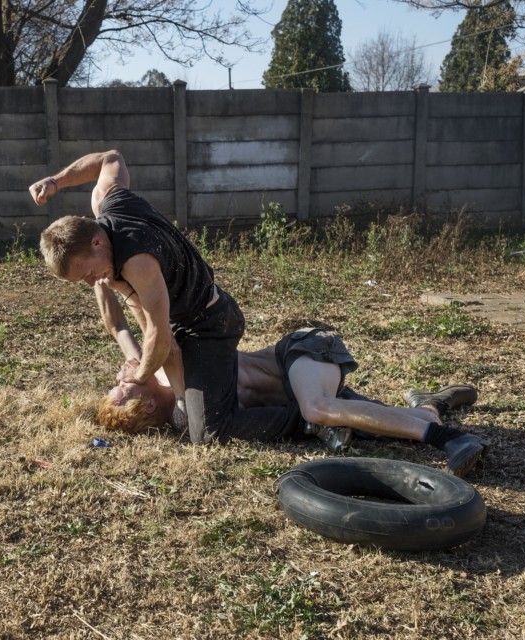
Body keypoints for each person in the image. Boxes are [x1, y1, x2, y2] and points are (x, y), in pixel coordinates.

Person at [32, 149, 292, 445]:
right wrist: (56, 181)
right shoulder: (109, 201)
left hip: (209, 322)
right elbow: (111, 158)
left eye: (89, 273)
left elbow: (160, 338)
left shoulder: (138, 265)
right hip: (183, 319)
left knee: (210, 432)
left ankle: (304, 420)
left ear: (96, 242)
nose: (93, 282)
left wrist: (140, 375)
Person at [98, 323, 486, 477]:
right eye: (122, 387)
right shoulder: (186, 408)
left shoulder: (160, 374)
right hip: (301, 393)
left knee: (317, 408)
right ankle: (431, 405)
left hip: (301, 353)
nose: (120, 376)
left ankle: (449, 439)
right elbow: (162, 337)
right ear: (147, 405)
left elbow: (119, 326)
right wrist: (140, 364)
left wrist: (103, 281)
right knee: (383, 422)